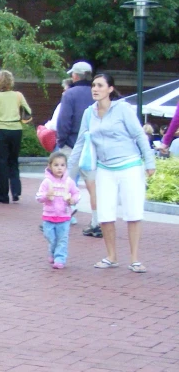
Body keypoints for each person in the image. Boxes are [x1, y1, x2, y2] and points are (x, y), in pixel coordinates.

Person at [68, 74, 156, 273]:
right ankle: (111, 256)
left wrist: (149, 161)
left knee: (132, 213)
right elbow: (80, 143)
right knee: (105, 214)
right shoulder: (89, 113)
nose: (95, 89)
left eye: (100, 85)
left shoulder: (122, 109)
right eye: (93, 85)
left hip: (129, 166)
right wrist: (67, 173)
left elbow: (139, 135)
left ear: (110, 89)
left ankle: (134, 259)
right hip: (105, 168)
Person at [57, 61, 99, 235]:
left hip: (72, 145)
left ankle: (60, 216)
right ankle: (96, 221)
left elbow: (64, 120)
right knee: (93, 186)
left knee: (62, 182)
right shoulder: (97, 93)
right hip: (94, 148)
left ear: (75, 76)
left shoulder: (70, 94)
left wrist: (62, 141)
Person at [0, 70, 31, 203]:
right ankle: (16, 190)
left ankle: (2, 195)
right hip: (16, 129)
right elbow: (28, 110)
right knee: (13, 160)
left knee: (0, 163)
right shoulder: (18, 95)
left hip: (1, 129)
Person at [36, 152, 81, 269]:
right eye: (56, 165)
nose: (59, 168)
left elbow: (76, 193)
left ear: (66, 167)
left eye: (62, 165)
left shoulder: (69, 182)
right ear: (50, 166)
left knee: (62, 238)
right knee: (50, 236)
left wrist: (73, 200)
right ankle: (52, 251)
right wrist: (46, 195)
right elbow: (39, 197)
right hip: (49, 216)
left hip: (64, 216)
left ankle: (60, 258)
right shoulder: (47, 182)